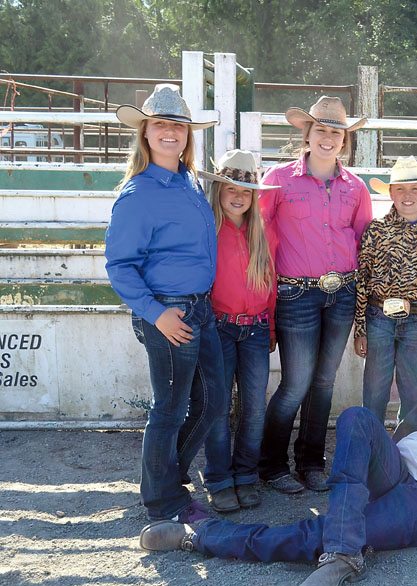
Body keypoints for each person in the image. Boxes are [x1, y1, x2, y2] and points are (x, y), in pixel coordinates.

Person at [138, 360, 417, 586]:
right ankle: (344, 551)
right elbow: (411, 446)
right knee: (358, 418)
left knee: (313, 534)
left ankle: (202, 536)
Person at [104, 85, 223, 524]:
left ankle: (166, 476)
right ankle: (163, 501)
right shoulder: (139, 194)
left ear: (188, 134)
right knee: (170, 409)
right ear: (146, 133)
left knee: (212, 402)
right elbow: (119, 265)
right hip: (169, 310)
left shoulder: (187, 181)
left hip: (198, 307)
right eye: (161, 124)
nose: (170, 132)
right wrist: (157, 315)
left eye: (178, 125)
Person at [257, 96, 372, 494]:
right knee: (296, 383)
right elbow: (258, 233)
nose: (328, 137)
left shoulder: (355, 187)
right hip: (296, 294)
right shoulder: (278, 180)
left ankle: (310, 462)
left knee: (324, 382)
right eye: (320, 129)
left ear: (345, 139)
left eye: (336, 131)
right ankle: (271, 464)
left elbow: (364, 240)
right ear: (306, 134)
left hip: (341, 293)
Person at [198, 150, 280, 512]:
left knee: (253, 408)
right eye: (230, 187)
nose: (238, 195)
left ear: (254, 196)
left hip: (257, 329)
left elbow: (272, 285)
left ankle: (246, 475)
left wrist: (272, 325)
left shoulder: (264, 234)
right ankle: (218, 478)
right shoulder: (207, 230)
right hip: (219, 327)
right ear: (217, 189)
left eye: (246, 190)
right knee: (216, 407)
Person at [355, 156, 417, 441]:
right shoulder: (376, 230)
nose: (407, 196)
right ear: (390, 193)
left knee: (413, 391)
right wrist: (360, 329)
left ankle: (409, 449)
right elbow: (362, 279)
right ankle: (371, 447)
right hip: (378, 317)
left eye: (415, 189)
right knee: (375, 388)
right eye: (400, 189)